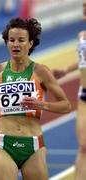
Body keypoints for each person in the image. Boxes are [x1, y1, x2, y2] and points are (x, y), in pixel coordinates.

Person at [0, 17, 71, 180]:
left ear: (30, 44)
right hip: (5, 144)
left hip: (33, 144)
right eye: (11, 40)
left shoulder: (40, 71)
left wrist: (41, 104)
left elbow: (66, 105)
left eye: (21, 40)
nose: (15, 44)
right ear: (7, 43)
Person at [53, 2, 86, 179]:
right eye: (84, 5)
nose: (85, 7)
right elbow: (83, 62)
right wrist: (66, 70)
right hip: (84, 96)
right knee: (83, 146)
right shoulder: (81, 36)